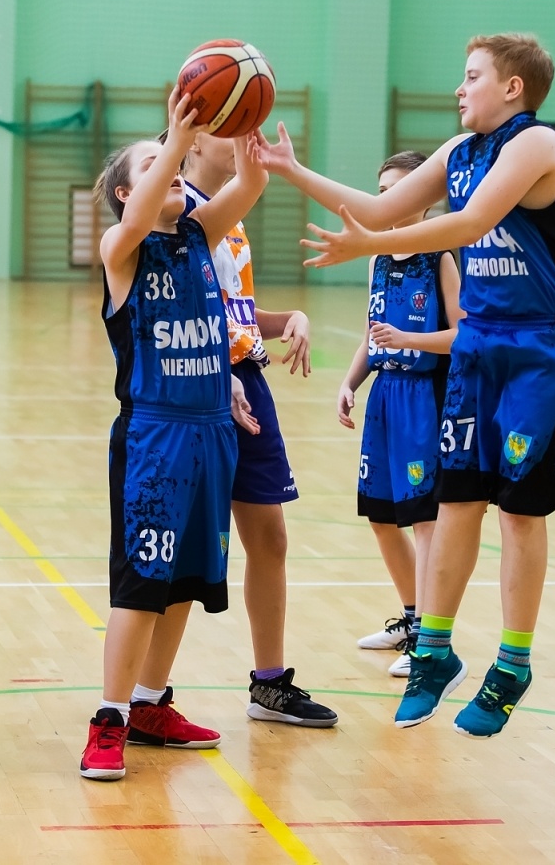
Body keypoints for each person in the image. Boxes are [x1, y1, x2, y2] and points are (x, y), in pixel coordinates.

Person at [255, 33, 555, 738]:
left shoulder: (536, 146)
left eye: (472, 77)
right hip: (478, 347)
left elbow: (468, 222)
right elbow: (378, 209)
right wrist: (292, 170)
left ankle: (513, 662)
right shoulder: (458, 153)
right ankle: (433, 650)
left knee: (519, 510)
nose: (460, 89)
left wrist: (366, 246)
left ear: (513, 89)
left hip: (536, 347)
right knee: (457, 498)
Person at [80, 91, 266, 781]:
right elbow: (134, 216)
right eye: (157, 164)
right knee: (140, 584)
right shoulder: (121, 248)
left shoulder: (199, 235)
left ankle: (153, 702)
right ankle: (109, 716)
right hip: (154, 437)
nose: (177, 170)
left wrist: (245, 134)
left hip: (210, 431)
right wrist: (180, 130)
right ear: (132, 188)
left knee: (187, 578)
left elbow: (250, 184)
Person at [180, 133, 338, 727]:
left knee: (269, 538)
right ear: (193, 138)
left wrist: (288, 317)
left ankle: (268, 683)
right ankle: (145, 695)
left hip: (249, 377)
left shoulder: (233, 218)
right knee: (190, 546)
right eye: (231, 124)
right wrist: (219, 374)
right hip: (199, 385)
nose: (246, 135)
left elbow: (236, 313)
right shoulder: (181, 210)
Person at [336, 152, 461, 678]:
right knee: (384, 519)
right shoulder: (377, 258)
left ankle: (432, 639)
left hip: (424, 398)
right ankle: (411, 621)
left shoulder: (443, 257)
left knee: (425, 523)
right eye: (381, 189)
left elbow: (464, 335)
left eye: (397, 189)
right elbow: (373, 334)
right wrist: (349, 380)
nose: (387, 199)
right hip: (385, 397)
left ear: (423, 198)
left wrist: (410, 339)